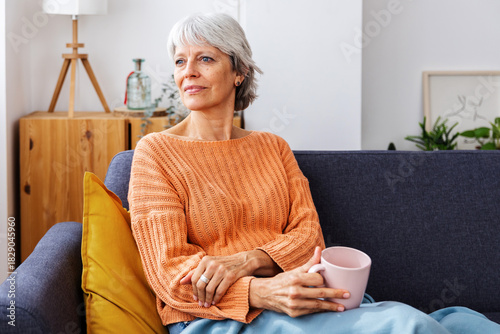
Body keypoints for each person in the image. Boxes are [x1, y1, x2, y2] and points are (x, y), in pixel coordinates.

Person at [128, 12, 500, 334]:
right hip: (216, 318)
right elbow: (170, 273)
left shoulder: (272, 147)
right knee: (411, 326)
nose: (188, 72)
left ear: (239, 71)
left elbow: (310, 239)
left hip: (296, 293)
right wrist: (259, 291)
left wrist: (249, 260)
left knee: (467, 322)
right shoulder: (156, 153)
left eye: (205, 58)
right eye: (179, 61)